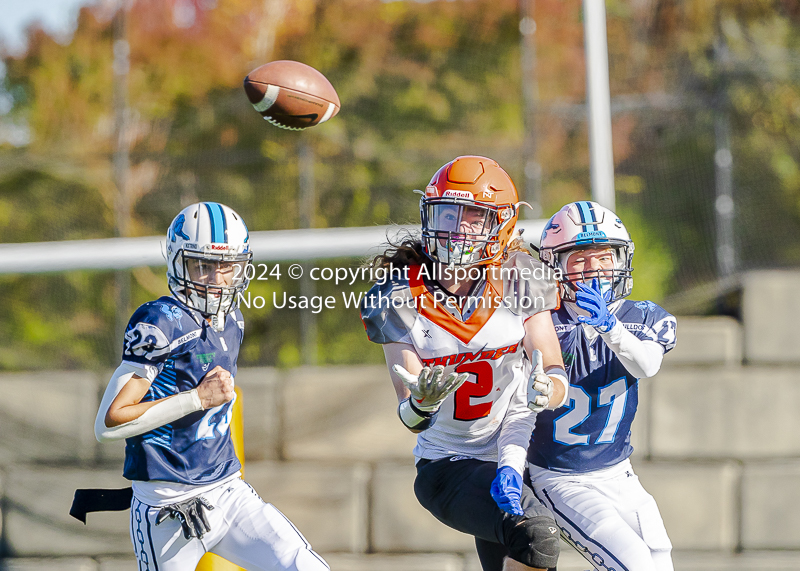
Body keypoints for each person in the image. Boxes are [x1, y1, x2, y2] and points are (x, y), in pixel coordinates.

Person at [92, 202, 329, 571]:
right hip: (166, 508)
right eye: (202, 265)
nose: (217, 279)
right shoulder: (160, 322)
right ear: (176, 261)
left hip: (227, 491)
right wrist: (196, 399)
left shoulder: (232, 317)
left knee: (304, 566)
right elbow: (110, 423)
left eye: (227, 266)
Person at [360, 156, 569, 571]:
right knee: (536, 535)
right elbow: (412, 415)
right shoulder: (399, 297)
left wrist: (549, 391)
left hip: (513, 453)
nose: (458, 228)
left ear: (502, 224)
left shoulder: (522, 278)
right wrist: (421, 402)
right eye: (448, 214)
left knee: (524, 554)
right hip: (447, 466)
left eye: (474, 216)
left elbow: (555, 373)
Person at [527, 201, 677, 571]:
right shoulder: (540, 322)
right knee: (634, 565)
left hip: (618, 472)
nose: (594, 268)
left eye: (604, 256)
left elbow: (645, 366)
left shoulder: (641, 317)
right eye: (580, 259)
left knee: (660, 562)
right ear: (554, 266)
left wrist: (610, 326)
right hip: (560, 477)